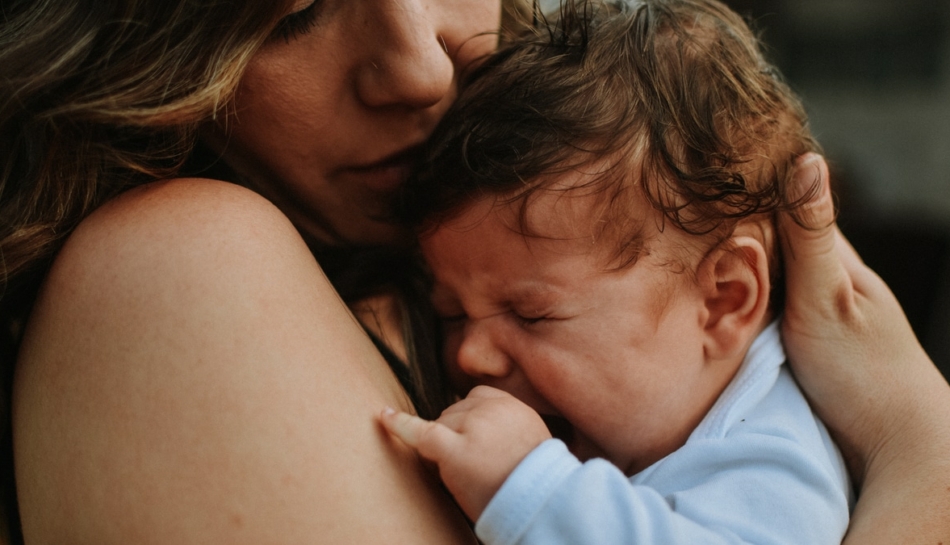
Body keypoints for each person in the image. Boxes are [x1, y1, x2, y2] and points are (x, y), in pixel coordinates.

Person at [0, 0, 947, 543]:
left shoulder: (630, 241)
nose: (419, 70)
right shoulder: (179, 275)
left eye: (533, 314)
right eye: (293, 14)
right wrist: (921, 447)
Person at [381, 1, 850, 542]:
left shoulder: (773, 461)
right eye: (451, 312)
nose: (469, 354)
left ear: (723, 299)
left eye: (531, 314)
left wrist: (533, 491)